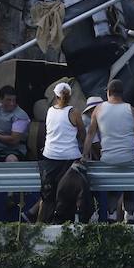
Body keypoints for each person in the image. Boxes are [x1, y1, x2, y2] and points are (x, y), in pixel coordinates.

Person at [83, 79, 134, 223]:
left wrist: (84, 155)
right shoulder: (132, 110)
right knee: (128, 187)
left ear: (108, 92)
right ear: (123, 93)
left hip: (108, 158)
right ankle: (129, 215)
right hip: (129, 157)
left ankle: (111, 215)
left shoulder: (98, 110)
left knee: (112, 188)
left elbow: (90, 134)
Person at [37, 82, 86, 224]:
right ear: (70, 96)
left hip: (50, 156)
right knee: (69, 194)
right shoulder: (74, 112)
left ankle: (41, 223)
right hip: (70, 157)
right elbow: (82, 133)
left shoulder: (50, 111)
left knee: (47, 196)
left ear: (56, 96)